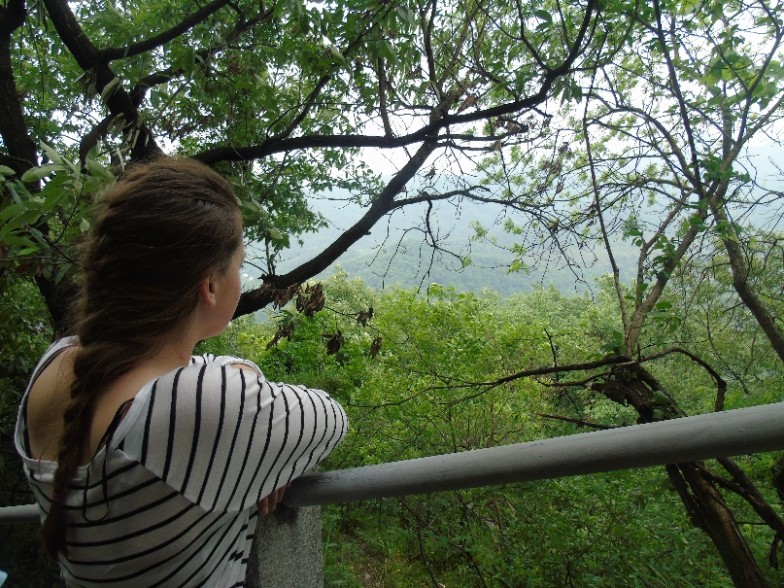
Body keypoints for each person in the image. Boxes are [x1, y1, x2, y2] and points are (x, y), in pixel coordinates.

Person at [14, 158, 348, 587]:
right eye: (238, 265)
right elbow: (332, 418)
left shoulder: (56, 364)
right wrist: (242, 375)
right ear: (209, 286)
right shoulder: (200, 404)